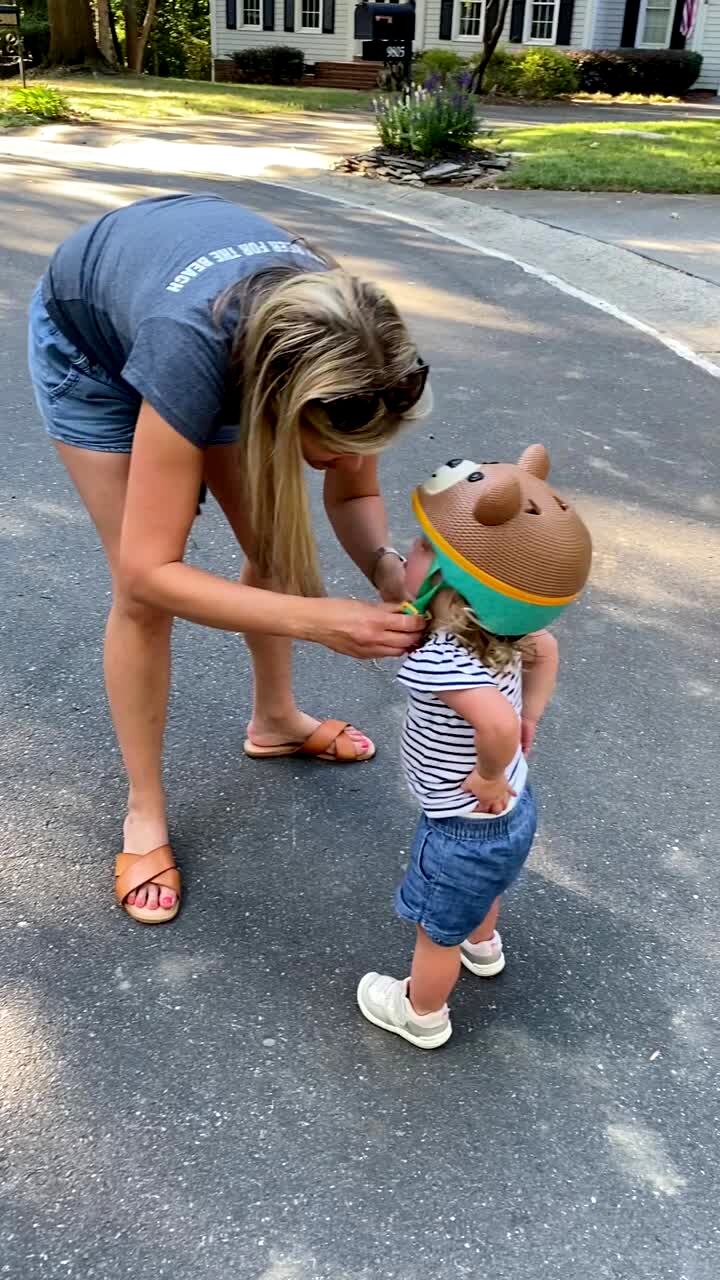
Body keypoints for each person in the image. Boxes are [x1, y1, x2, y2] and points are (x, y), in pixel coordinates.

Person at [27, 193, 428, 926]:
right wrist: (318, 621)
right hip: (93, 345)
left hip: (214, 333)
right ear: (274, 405)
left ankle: (275, 720)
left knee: (273, 546)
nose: (339, 464)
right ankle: (144, 810)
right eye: (327, 447)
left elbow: (351, 496)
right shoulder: (194, 354)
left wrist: (385, 570)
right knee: (141, 592)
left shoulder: (357, 348)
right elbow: (153, 572)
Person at [357, 446, 592, 1048]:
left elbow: (492, 722)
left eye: (420, 549)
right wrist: (529, 718)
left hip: (463, 822)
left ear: (447, 582)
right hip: (513, 811)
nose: (410, 553)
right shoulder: (503, 633)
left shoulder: (439, 659)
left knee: (434, 930)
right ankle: (483, 945)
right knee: (482, 889)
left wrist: (492, 765)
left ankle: (421, 1012)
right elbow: (547, 652)